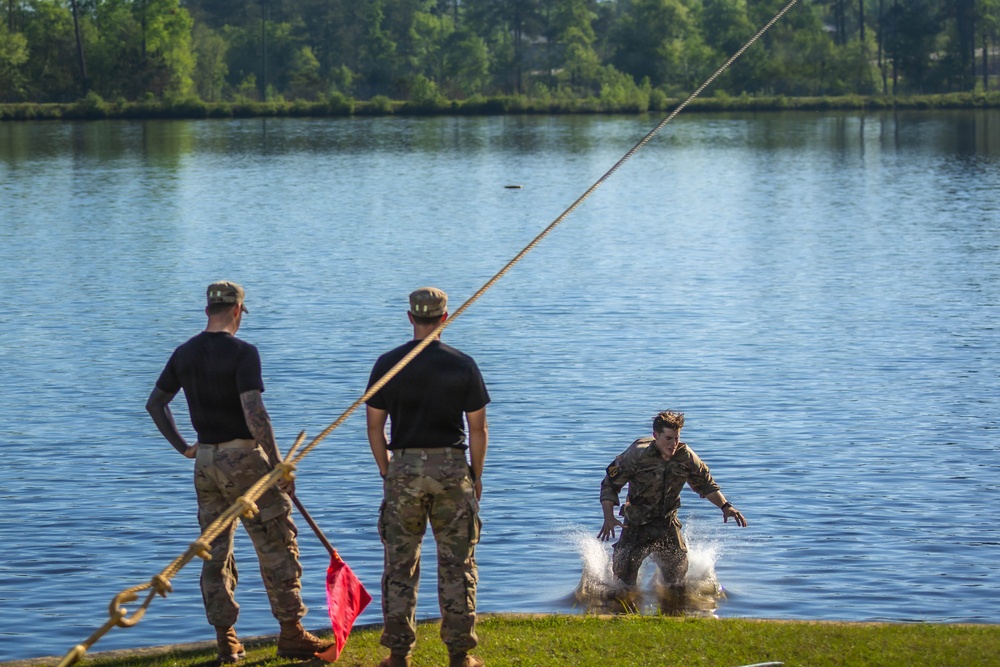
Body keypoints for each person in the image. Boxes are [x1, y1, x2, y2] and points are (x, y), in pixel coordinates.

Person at [146, 281, 331, 663]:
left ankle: (226, 640)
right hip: (244, 460)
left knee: (214, 552)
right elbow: (254, 411)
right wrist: (278, 465)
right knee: (277, 545)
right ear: (237, 311)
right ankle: (291, 633)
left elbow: (156, 404)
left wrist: (184, 447)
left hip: (206, 463)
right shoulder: (244, 352)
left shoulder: (184, 353)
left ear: (207, 310)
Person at [366, 287, 490, 667]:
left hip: (403, 469)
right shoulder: (463, 364)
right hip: (452, 468)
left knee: (400, 564)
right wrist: (476, 475)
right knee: (458, 564)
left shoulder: (388, 363)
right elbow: (478, 429)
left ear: (410, 317)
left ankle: (398, 654)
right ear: (445, 317)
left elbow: (374, 428)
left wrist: (387, 470)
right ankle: (459, 655)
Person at [598, 410, 747, 593]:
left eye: (676, 438)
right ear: (656, 435)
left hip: (667, 524)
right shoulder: (637, 454)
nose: (673, 444)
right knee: (623, 585)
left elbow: (706, 484)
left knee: (677, 583)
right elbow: (610, 485)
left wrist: (725, 506)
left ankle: (672, 606)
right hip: (637, 525)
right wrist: (609, 517)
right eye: (668, 438)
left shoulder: (686, 456)